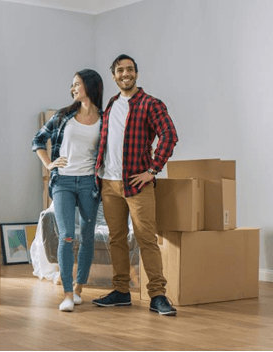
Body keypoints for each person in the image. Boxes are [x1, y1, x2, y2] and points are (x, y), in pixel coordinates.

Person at [91, 54, 179, 316]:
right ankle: (121, 291)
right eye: (120, 70)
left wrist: (152, 170)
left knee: (146, 239)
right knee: (116, 239)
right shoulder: (111, 104)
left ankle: (158, 295)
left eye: (130, 69)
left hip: (137, 184)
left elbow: (169, 135)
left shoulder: (151, 104)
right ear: (114, 76)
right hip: (109, 183)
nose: (125, 74)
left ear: (136, 74)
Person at [32, 69, 104, 312]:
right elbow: (38, 140)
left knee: (87, 236)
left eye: (77, 84)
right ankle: (66, 294)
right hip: (63, 182)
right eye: (72, 85)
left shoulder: (104, 119)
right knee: (66, 235)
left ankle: (79, 288)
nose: (73, 88)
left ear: (90, 86)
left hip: (89, 184)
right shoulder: (64, 116)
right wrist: (49, 164)